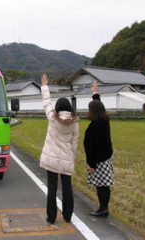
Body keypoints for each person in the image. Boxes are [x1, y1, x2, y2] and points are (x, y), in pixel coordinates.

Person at [40, 73, 79, 224]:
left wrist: (44, 86)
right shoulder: (75, 122)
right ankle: (68, 217)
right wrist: (71, 157)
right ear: (69, 108)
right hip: (67, 159)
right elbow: (74, 144)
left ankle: (51, 217)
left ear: (58, 108)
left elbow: (46, 102)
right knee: (67, 188)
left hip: (51, 160)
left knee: (52, 189)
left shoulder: (52, 117)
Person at [84, 83, 114, 218]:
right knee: (105, 185)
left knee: (100, 185)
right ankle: (104, 208)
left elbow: (90, 147)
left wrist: (91, 165)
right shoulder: (104, 119)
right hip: (107, 158)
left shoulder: (94, 127)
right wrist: (95, 93)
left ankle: (103, 209)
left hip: (97, 161)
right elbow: (99, 105)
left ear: (93, 112)